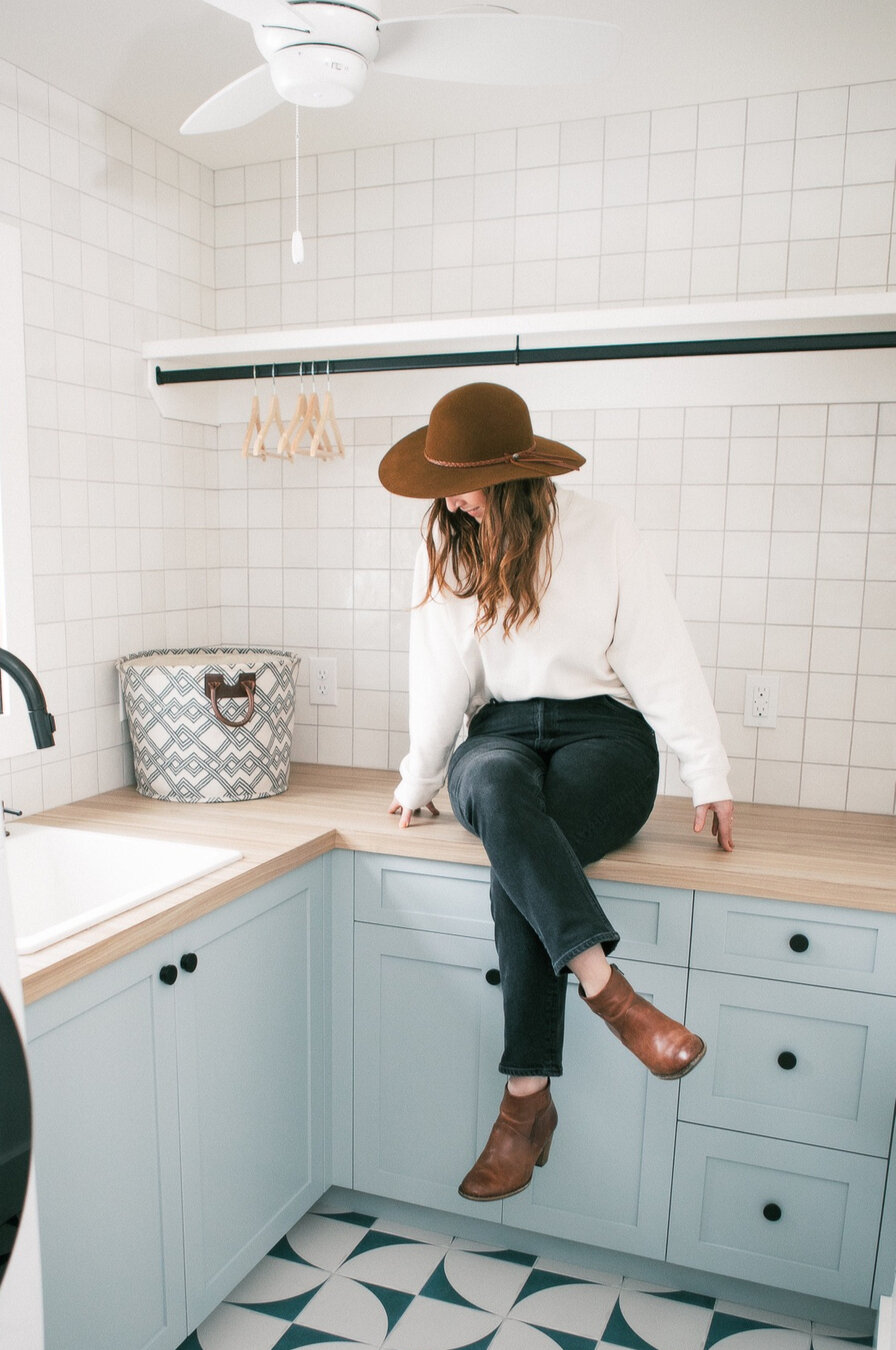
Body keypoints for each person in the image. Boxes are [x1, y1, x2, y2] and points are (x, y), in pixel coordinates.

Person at [378, 382, 734, 1204]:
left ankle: (524, 1105)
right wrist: (420, 778)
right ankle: (614, 997)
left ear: (511, 472)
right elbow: (442, 676)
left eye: (463, 480)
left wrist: (705, 771)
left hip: (603, 734)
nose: (453, 500)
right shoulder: (456, 546)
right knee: (502, 794)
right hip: (498, 734)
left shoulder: (603, 532)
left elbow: (660, 655)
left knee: (520, 854)